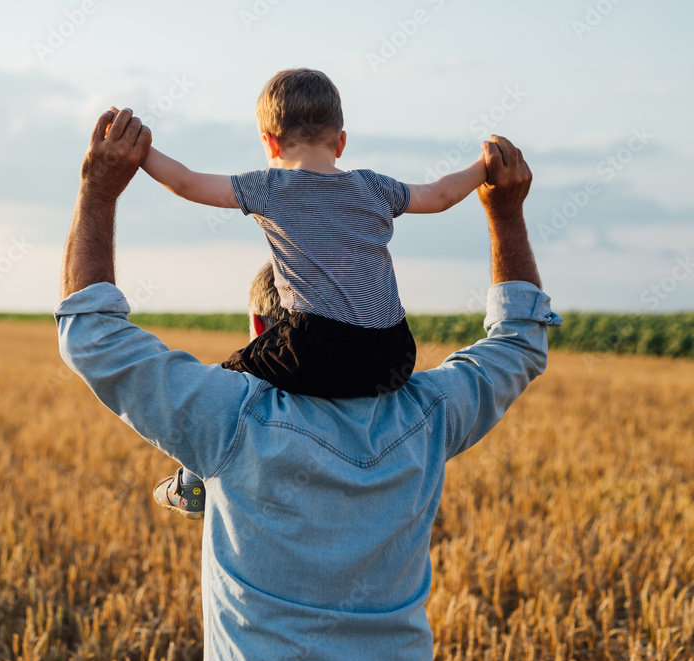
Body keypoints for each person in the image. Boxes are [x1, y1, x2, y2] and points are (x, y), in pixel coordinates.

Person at [56, 107, 561, 661]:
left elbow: (93, 338)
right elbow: (518, 343)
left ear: (261, 329)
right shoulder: (429, 418)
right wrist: (505, 214)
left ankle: (189, 483)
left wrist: (98, 190)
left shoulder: (231, 421)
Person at [140, 69, 488, 517]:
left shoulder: (269, 185)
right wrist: (483, 166)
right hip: (395, 353)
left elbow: (187, 182)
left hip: (316, 348)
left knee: (219, 387)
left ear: (269, 143)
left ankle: (190, 487)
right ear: (340, 142)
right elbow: (440, 194)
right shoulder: (375, 186)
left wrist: (140, 151)